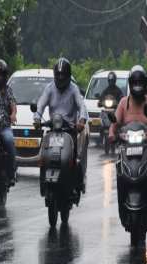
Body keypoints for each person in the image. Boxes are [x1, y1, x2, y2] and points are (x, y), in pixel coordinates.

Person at [109, 66, 147, 220]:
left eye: (141, 83)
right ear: (130, 84)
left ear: (145, 84)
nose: (138, 87)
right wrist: (112, 133)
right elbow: (114, 123)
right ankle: (122, 201)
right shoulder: (123, 103)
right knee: (119, 171)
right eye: (135, 83)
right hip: (127, 147)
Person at [33, 57, 89, 192]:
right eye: (58, 75)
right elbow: (41, 104)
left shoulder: (74, 89)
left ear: (68, 76)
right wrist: (37, 118)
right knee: (43, 154)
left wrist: (81, 120)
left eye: (63, 75)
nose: (60, 78)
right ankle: (43, 180)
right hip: (53, 128)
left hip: (69, 129)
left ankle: (77, 182)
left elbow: (82, 106)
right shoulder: (49, 88)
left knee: (75, 157)